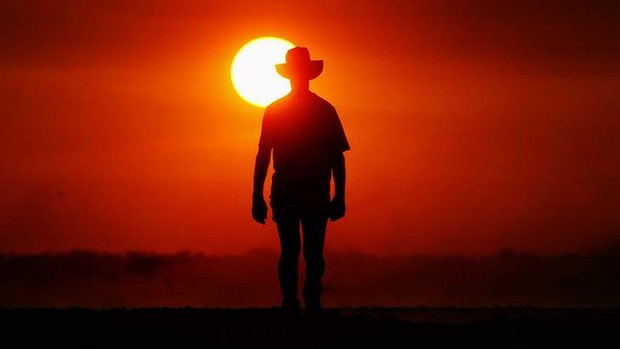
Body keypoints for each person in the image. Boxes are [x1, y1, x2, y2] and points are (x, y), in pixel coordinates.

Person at [252, 46, 350, 314]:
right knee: (306, 251)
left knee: (296, 250)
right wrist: (339, 195)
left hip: (293, 190)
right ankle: (304, 301)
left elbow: (263, 155)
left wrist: (257, 196)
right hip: (307, 189)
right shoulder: (323, 109)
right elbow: (337, 158)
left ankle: (296, 302)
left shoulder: (277, 110)